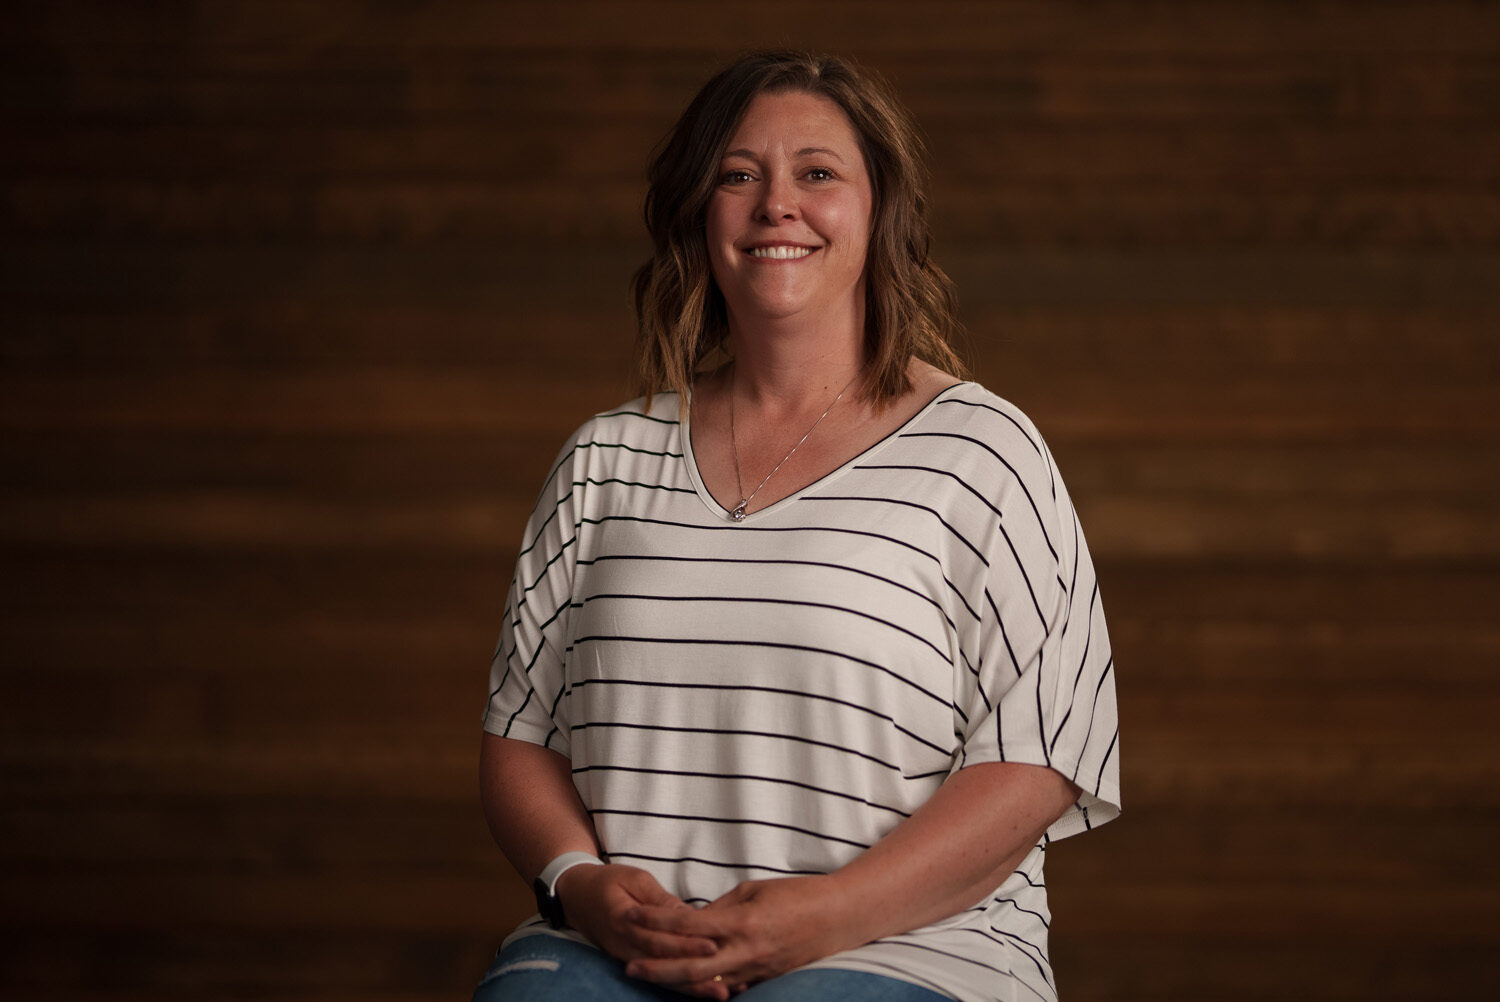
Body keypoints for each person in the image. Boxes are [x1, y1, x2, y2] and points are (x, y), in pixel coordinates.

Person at [476, 51, 1120, 1002]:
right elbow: (518, 735)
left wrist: (815, 919)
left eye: (818, 173)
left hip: (908, 952)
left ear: (878, 213)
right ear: (701, 210)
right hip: (623, 954)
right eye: (739, 175)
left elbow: (1040, 759)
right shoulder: (603, 460)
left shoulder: (981, 452)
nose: (778, 203)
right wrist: (580, 887)